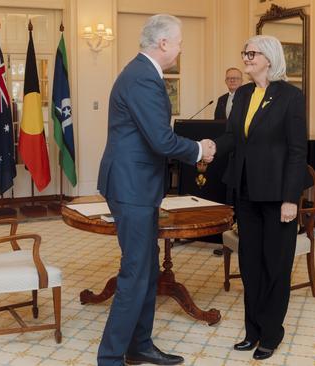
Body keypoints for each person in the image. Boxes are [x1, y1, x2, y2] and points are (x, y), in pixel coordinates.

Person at [96, 14, 215, 366]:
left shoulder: (141, 73)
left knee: (146, 269)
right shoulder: (142, 77)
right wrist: (198, 150)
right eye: (178, 43)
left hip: (138, 185)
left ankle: (140, 346)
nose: (180, 50)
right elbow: (161, 139)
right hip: (131, 187)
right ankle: (110, 357)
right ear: (163, 43)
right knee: (135, 272)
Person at [212, 35, 309, 360]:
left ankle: (271, 333)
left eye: (251, 53)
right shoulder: (242, 95)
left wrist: (291, 198)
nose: (246, 57)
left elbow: (297, 151)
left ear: (269, 58)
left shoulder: (290, 97)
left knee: (275, 265)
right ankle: (252, 330)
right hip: (247, 193)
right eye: (245, 52)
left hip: (277, 196)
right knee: (250, 264)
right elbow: (231, 138)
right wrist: (207, 149)